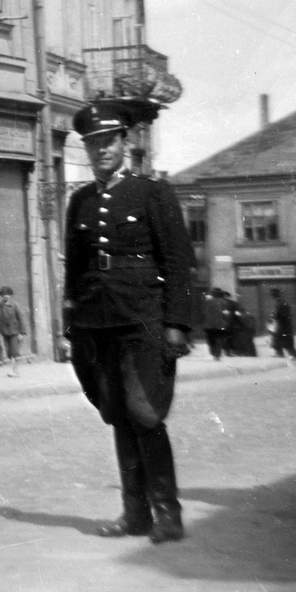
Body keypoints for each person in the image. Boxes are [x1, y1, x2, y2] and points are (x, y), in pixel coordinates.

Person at [64, 99, 195, 544]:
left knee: (145, 413)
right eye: (92, 143)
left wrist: (177, 323)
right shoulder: (79, 201)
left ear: (124, 142)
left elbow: (177, 261)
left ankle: (168, 514)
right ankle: (134, 513)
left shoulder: (153, 193)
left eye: (108, 141)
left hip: (143, 319)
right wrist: (71, 325)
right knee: (119, 415)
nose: (101, 149)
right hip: (96, 323)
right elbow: (74, 270)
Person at [0, 286, 24, 374]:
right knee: (8, 352)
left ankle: (12, 370)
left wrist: (22, 332)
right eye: (4, 294)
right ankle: (15, 369)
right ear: (1, 296)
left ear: (10, 295)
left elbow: (20, 318)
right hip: (4, 332)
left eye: (8, 294)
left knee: (13, 350)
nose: (6, 296)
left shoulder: (15, 305)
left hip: (14, 331)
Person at [270, 288, 296, 358]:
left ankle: (282, 355)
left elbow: (280, 314)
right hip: (285, 325)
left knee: (283, 342)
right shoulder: (282, 302)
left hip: (283, 326)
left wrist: (274, 315)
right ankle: (281, 354)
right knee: (282, 342)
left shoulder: (280, 303)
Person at [202, 288, 229, 361]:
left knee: (211, 339)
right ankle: (217, 354)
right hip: (219, 324)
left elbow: (203, 312)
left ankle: (213, 352)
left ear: (213, 294)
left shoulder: (207, 301)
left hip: (209, 324)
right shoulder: (223, 302)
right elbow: (225, 314)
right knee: (219, 339)